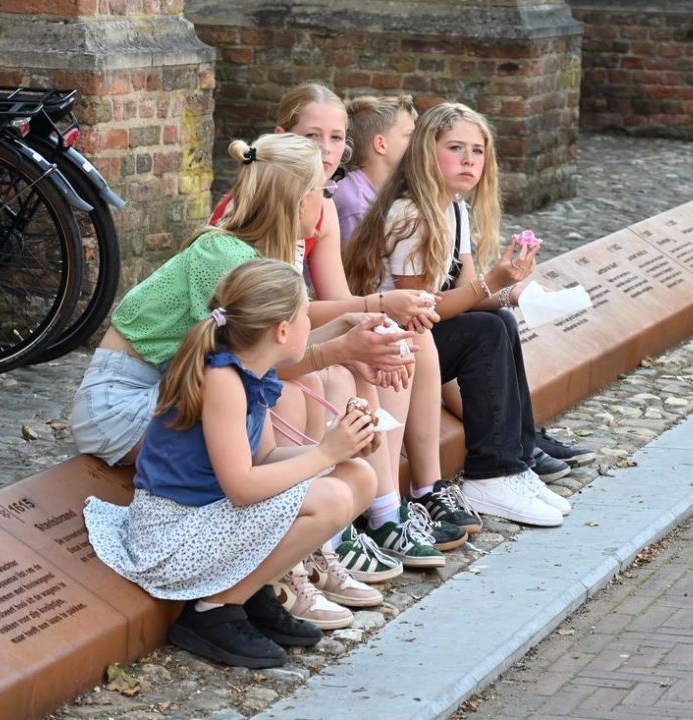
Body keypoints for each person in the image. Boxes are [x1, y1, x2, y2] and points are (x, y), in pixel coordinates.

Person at [71, 133, 412, 629]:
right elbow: (260, 363)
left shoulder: (266, 254)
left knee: (303, 404)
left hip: (169, 390)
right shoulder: (225, 257)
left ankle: (282, 566)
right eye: (322, 189)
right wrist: (340, 362)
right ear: (298, 199)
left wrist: (347, 335)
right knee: (286, 398)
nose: (328, 201)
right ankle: (264, 580)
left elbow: (275, 352)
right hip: (121, 401)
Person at [208, 85, 461, 626]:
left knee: (387, 340)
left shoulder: (316, 205)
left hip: (275, 337)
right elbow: (248, 332)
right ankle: (332, 532)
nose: (325, 151)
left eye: (335, 138)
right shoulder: (257, 212)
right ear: (280, 138)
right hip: (240, 350)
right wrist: (368, 313)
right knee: (330, 377)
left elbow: (326, 300)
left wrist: (367, 318)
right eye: (311, 137)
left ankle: (389, 507)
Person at [84, 259, 378, 669]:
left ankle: (250, 591)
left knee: (358, 476)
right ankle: (214, 611)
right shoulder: (222, 379)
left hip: (212, 521)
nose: (310, 324)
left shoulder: (255, 373)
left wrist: (343, 449)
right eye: (306, 316)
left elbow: (266, 458)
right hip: (172, 535)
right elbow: (242, 487)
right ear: (281, 330)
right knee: (330, 497)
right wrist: (324, 454)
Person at [344, 102, 573, 527]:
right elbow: (419, 308)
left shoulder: (453, 208)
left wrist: (514, 290)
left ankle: (515, 463)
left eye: (477, 151)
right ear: (426, 152)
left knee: (499, 321)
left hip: (423, 334)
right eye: (456, 148)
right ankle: (491, 475)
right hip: (391, 338)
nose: (469, 160)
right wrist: (492, 282)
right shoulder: (410, 213)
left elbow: (467, 291)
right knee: (484, 332)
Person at [334, 94, 417, 245]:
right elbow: (358, 261)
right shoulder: (355, 203)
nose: (417, 143)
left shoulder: (394, 191)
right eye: (409, 135)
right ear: (380, 144)